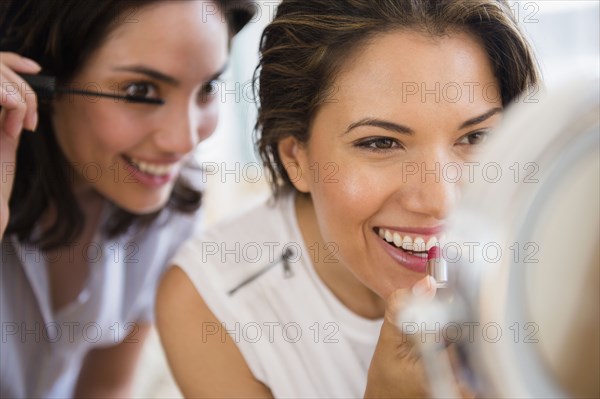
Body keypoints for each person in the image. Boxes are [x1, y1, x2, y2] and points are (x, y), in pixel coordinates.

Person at [156, 0, 540, 397]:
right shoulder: (213, 303)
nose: (440, 201)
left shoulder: (552, 245)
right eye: (380, 143)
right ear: (296, 158)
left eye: (476, 137)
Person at [0, 0, 254, 397]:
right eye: (140, 91)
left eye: (206, 88)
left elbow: (105, 387)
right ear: (40, 81)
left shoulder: (173, 202)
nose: (184, 140)